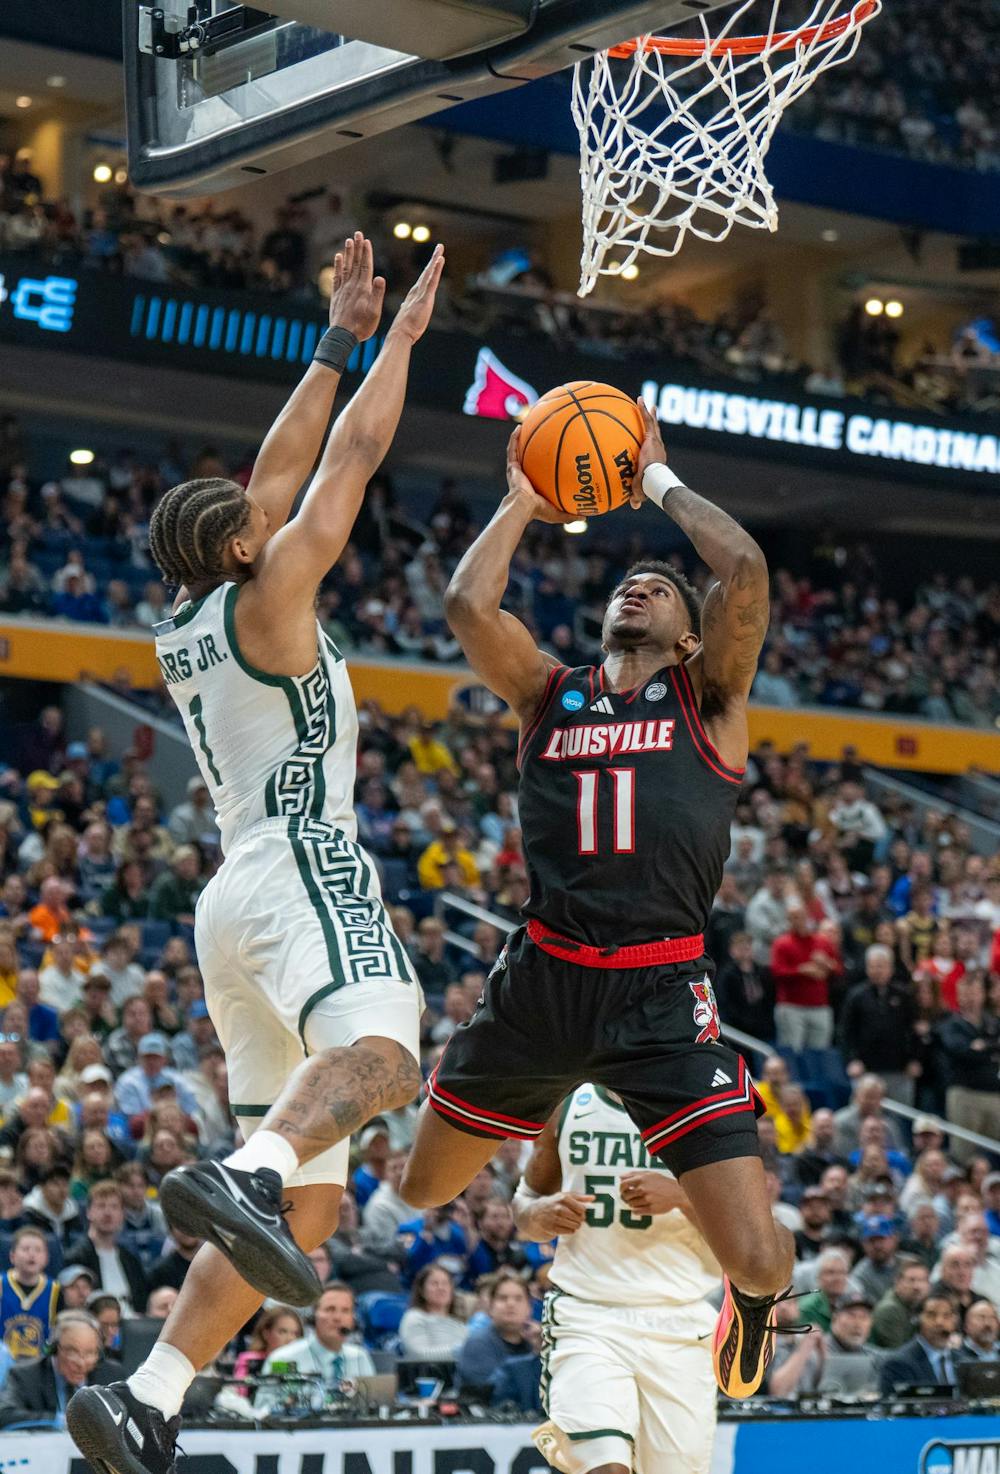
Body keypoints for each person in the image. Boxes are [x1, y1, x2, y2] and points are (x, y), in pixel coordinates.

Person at [67, 236, 444, 1474]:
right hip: (297, 862)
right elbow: (342, 465)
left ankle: (149, 1393)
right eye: (254, 518)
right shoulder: (275, 595)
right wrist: (397, 346)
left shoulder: (189, 609)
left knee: (318, 1207)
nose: (266, 505)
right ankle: (251, 1167)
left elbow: (279, 468)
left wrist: (331, 332)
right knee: (387, 1049)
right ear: (243, 546)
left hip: (231, 900)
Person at [401, 402, 795, 1401]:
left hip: (662, 993)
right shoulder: (550, 691)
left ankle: (743, 1309)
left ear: (689, 635)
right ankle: (539, 1177)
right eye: (629, 579)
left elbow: (742, 569)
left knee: (757, 1260)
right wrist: (523, 500)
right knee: (420, 1187)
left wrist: (655, 477)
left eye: (661, 585)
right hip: (542, 981)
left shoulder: (708, 700)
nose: (643, 583)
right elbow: (463, 604)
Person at [517, 1082, 720, 1474]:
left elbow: (747, 1227)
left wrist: (681, 1195)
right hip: (588, 1313)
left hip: (680, 1320)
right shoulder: (566, 1101)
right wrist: (538, 1213)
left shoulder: (704, 1104)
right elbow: (523, 1203)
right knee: (605, 1467)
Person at [254, 1283, 374, 1414]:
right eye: (330, 1309)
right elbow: (263, 1410)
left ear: (353, 1319)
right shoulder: (283, 1359)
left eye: (345, 1310)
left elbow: (372, 1406)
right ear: (314, 1315)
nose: (338, 1318)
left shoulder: (360, 1357)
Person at [0, 1310, 116, 1428]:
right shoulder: (24, 1376)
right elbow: (4, 1415)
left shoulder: (113, 1376)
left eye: (90, 1353)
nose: (81, 1363)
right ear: (53, 1350)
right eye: (72, 1351)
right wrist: (60, 1421)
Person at [838, 944, 920, 1103]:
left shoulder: (904, 995)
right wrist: (851, 1060)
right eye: (873, 966)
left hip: (899, 1070)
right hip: (865, 1070)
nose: (878, 971)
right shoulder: (856, 996)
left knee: (900, 1119)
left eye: (881, 966)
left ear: (890, 968)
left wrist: (914, 1059)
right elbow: (845, 1032)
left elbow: (914, 1030)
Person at [768, 1294, 881, 1399]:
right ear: (835, 1318)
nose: (858, 1323)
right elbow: (780, 1393)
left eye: (864, 1317)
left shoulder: (874, 1357)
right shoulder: (812, 1350)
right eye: (851, 1315)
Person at [64, 1180, 148, 1316]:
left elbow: (142, 1303)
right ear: (88, 1212)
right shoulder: (76, 1258)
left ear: (122, 1214)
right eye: (101, 1206)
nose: (108, 1213)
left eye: (114, 1207)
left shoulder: (131, 1259)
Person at [455, 1271, 538, 1395]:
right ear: (491, 1307)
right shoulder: (477, 1344)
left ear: (529, 1308)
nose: (510, 1304)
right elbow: (491, 1393)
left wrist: (541, 1350)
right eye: (502, 1298)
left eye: (518, 1299)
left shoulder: (536, 1344)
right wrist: (534, 1358)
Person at [879, 1292, 960, 1393]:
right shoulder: (898, 1363)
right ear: (917, 1319)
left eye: (946, 1316)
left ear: (955, 1321)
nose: (939, 1322)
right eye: (931, 1315)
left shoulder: (964, 1360)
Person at [0, 1227, 60, 1361]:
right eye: (26, 1249)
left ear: (46, 1258)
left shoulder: (56, 1290)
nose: (32, 1254)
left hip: (40, 1366)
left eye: (38, 1250)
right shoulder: (1, 1285)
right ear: (12, 1256)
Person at [398, 1264, 468, 1359]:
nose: (441, 1288)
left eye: (445, 1283)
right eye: (434, 1284)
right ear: (422, 1290)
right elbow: (419, 1354)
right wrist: (458, 1352)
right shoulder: (414, 1317)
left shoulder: (458, 1322)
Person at [869, 1258, 931, 1349]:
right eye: (911, 1280)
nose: (917, 1286)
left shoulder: (920, 1304)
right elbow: (899, 1352)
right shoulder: (890, 1310)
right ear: (897, 1282)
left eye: (922, 1280)